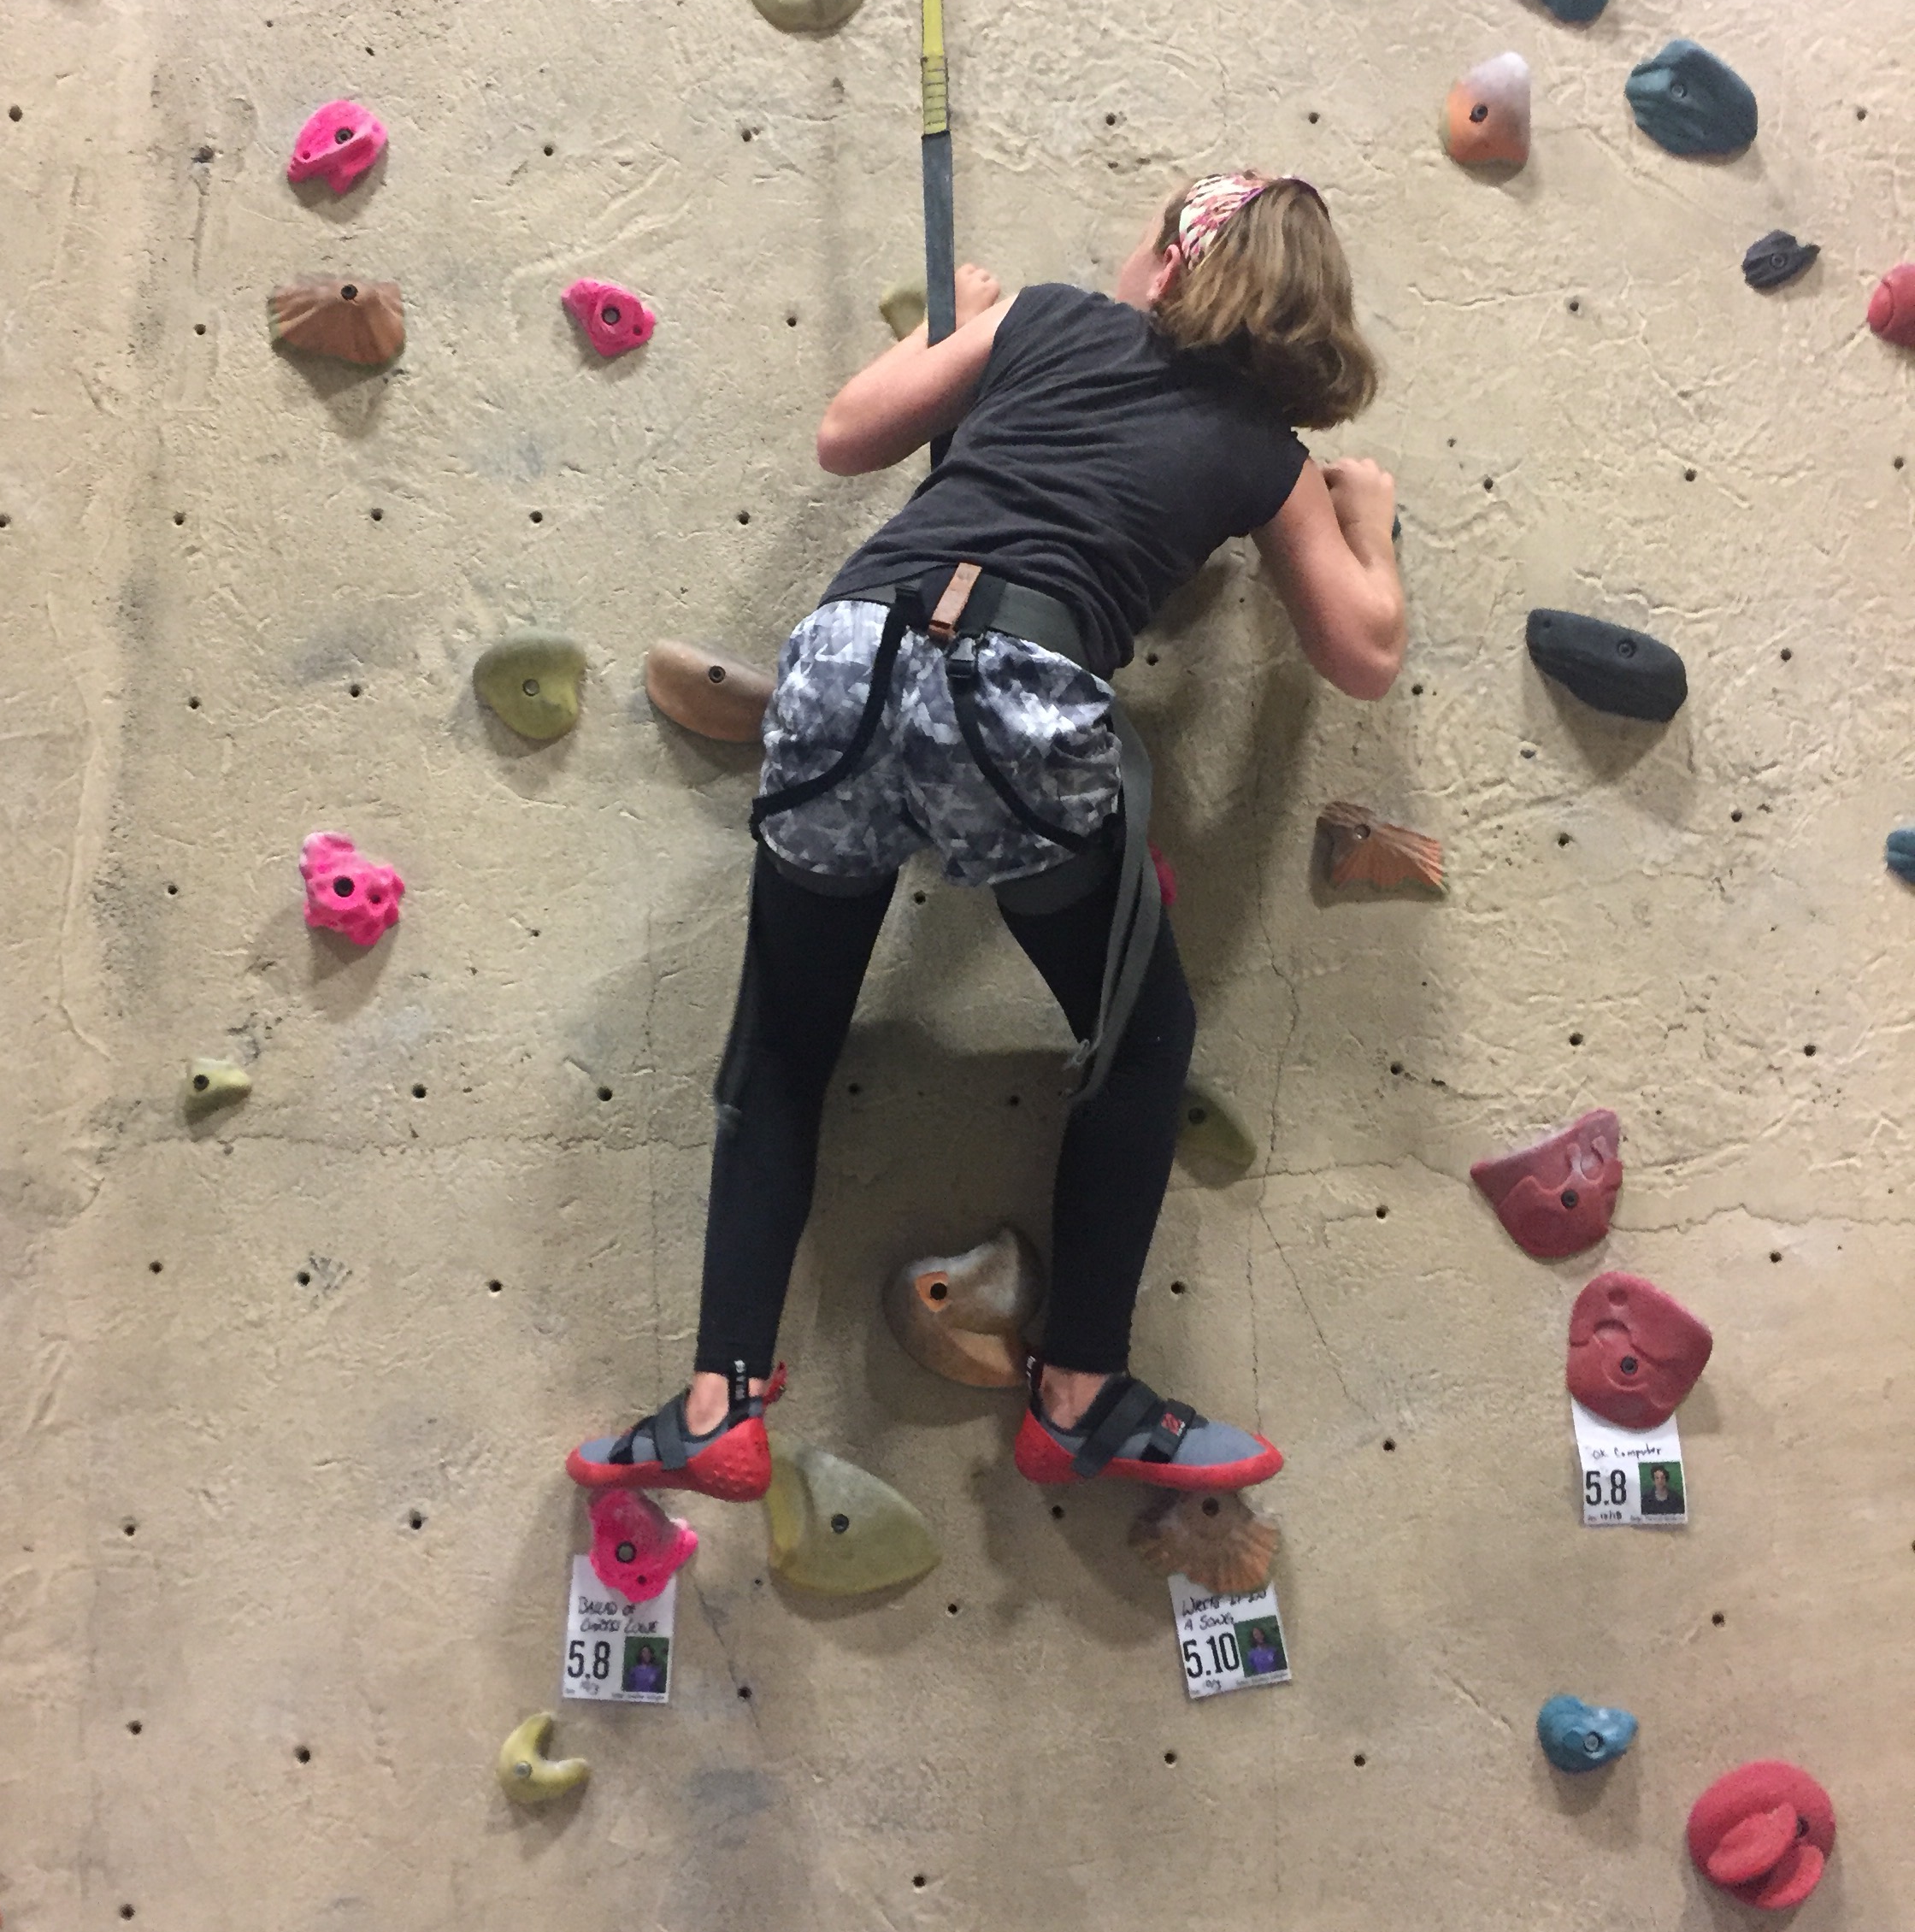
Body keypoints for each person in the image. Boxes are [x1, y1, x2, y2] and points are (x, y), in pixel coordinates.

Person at [569, 172, 1405, 1509]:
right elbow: (1361, 653)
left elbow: (848, 435)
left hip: (846, 663)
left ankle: (718, 1404)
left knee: (784, 1040)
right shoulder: (1269, 454)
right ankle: (1079, 1397)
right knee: (1140, 1039)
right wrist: (1365, 519)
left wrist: (947, 328)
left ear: (1174, 266)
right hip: (1017, 695)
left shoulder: (1045, 318)